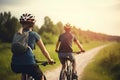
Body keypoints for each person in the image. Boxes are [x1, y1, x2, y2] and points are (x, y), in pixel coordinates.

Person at [11, 13, 54, 80]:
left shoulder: (17, 34)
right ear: (32, 24)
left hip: (15, 65)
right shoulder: (34, 34)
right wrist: (50, 60)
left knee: (24, 72)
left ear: (22, 23)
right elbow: (44, 51)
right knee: (41, 77)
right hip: (29, 64)